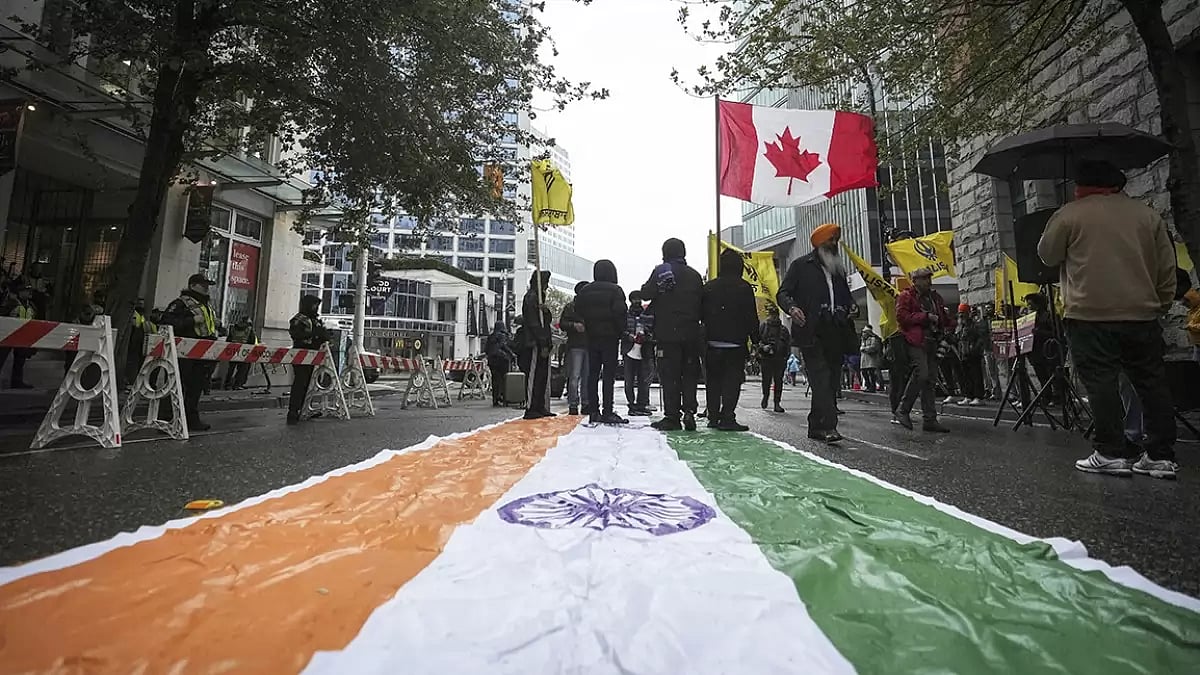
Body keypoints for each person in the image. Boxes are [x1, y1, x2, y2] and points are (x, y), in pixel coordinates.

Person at [1038, 159, 1178, 478]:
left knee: (1101, 381)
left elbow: (1047, 254)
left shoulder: (1070, 215)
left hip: (1090, 314)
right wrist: (1162, 304)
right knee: (1151, 382)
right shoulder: (1147, 215)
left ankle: (1111, 451)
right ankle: (1160, 456)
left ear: (1081, 186)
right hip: (1141, 313)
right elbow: (1166, 267)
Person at [776, 223, 857, 443]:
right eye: (830, 240)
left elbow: (845, 296)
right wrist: (792, 308)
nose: (834, 245)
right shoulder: (800, 266)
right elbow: (782, 292)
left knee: (830, 380)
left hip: (835, 331)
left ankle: (816, 425)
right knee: (820, 377)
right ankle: (829, 426)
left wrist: (850, 307)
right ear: (820, 243)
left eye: (836, 240)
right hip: (811, 331)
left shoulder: (838, 270)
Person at [642, 238, 704, 431]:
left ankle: (672, 416)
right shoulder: (695, 275)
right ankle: (689, 412)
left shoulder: (662, 271)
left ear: (665, 252)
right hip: (691, 333)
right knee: (689, 374)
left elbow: (646, 293)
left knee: (670, 376)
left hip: (667, 333)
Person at [702, 248, 761, 431]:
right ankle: (727, 416)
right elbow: (751, 316)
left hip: (712, 342)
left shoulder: (709, 287)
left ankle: (712, 416)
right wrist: (756, 340)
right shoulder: (743, 287)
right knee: (731, 382)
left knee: (713, 382)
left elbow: (701, 314)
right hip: (735, 343)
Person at [894, 268, 952, 432]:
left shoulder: (935, 297)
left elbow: (944, 319)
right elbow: (902, 318)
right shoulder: (906, 296)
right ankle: (903, 409)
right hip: (916, 341)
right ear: (915, 280)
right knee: (922, 373)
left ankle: (930, 419)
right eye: (924, 278)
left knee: (930, 381)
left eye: (929, 278)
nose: (928, 281)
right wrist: (925, 317)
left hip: (933, 341)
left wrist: (949, 324)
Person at [160, 274, 220, 430]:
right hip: (183, 354)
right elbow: (166, 322)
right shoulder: (180, 304)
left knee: (196, 387)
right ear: (193, 286)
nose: (206, 288)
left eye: (207, 285)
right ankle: (167, 420)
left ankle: (191, 419)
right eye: (203, 285)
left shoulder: (205, 305)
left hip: (203, 353)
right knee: (176, 385)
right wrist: (191, 321)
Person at [576, 260, 628, 425]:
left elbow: (578, 309)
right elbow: (620, 314)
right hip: (610, 337)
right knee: (608, 375)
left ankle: (593, 410)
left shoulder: (585, 291)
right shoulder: (615, 290)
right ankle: (607, 410)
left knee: (592, 375)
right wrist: (622, 332)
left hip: (591, 336)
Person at [287, 295, 329, 425]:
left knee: (310, 383)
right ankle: (293, 411)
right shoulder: (298, 319)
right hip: (301, 353)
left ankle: (306, 409)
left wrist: (323, 335)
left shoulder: (316, 320)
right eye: (314, 305)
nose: (316, 308)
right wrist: (314, 334)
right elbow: (296, 334)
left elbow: (324, 335)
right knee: (300, 382)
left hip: (314, 355)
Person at [522, 270, 556, 420]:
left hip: (543, 341)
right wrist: (542, 343)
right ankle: (531, 407)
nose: (547, 287)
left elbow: (546, 321)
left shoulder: (539, 298)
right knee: (535, 375)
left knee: (542, 376)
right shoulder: (531, 298)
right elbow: (534, 323)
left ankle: (540, 405)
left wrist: (546, 311)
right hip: (536, 342)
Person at [559, 280, 590, 415]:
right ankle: (573, 404)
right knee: (575, 376)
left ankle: (585, 403)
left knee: (586, 376)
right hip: (576, 345)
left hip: (589, 345)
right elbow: (562, 323)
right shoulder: (571, 307)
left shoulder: (592, 307)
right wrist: (574, 326)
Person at [1023, 292, 1060, 402]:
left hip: (1048, 352)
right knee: (1041, 376)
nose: (1028, 306)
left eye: (1030, 304)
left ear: (1038, 304)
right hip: (1034, 352)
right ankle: (1046, 396)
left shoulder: (1049, 316)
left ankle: (1058, 396)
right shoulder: (1029, 318)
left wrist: (1039, 332)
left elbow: (1057, 333)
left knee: (1052, 375)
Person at [622, 290, 655, 416]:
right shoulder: (625, 315)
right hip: (629, 350)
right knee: (629, 380)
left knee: (644, 379)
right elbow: (621, 330)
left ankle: (642, 404)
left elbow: (653, 330)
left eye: (638, 299)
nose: (637, 301)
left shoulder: (647, 315)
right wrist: (629, 336)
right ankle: (631, 405)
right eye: (634, 299)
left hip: (644, 351)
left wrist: (646, 335)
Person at [0, 284, 36, 389]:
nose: (29, 293)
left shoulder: (31, 306)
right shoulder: (11, 303)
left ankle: (17, 382)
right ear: (20, 292)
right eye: (26, 290)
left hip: (23, 337)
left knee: (20, 361)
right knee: (1, 358)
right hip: (8, 335)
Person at [955, 304, 988, 406]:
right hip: (963, 354)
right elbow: (959, 338)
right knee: (967, 376)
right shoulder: (961, 326)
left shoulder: (975, 324)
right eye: (960, 314)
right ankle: (969, 396)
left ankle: (979, 396)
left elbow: (981, 337)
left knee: (976, 375)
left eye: (963, 314)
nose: (961, 316)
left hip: (973, 354)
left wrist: (974, 349)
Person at [759, 311, 790, 411]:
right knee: (766, 380)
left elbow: (787, 344)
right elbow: (758, 341)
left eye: (775, 315)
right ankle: (765, 396)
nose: (774, 317)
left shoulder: (783, 329)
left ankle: (777, 403)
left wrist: (786, 357)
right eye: (772, 315)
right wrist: (764, 347)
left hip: (779, 359)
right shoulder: (763, 327)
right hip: (766, 358)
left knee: (778, 381)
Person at [484, 323, 517, 407]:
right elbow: (503, 346)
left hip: (492, 361)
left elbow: (486, 349)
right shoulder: (502, 335)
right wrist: (511, 354)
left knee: (495, 380)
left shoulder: (490, 336)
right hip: (502, 361)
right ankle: (503, 397)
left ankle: (495, 399)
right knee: (504, 380)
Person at [223, 316, 258, 390]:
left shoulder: (233, 328)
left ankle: (227, 384)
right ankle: (238, 384)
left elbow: (228, 340)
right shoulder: (249, 329)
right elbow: (252, 342)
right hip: (244, 352)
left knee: (231, 369)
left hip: (233, 351)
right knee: (243, 369)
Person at [859, 326, 883, 393]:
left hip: (871, 359)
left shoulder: (873, 339)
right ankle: (868, 385)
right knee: (864, 372)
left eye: (864, 332)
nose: (863, 334)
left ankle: (873, 386)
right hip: (864, 359)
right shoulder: (863, 340)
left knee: (871, 373)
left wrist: (865, 349)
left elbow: (874, 348)